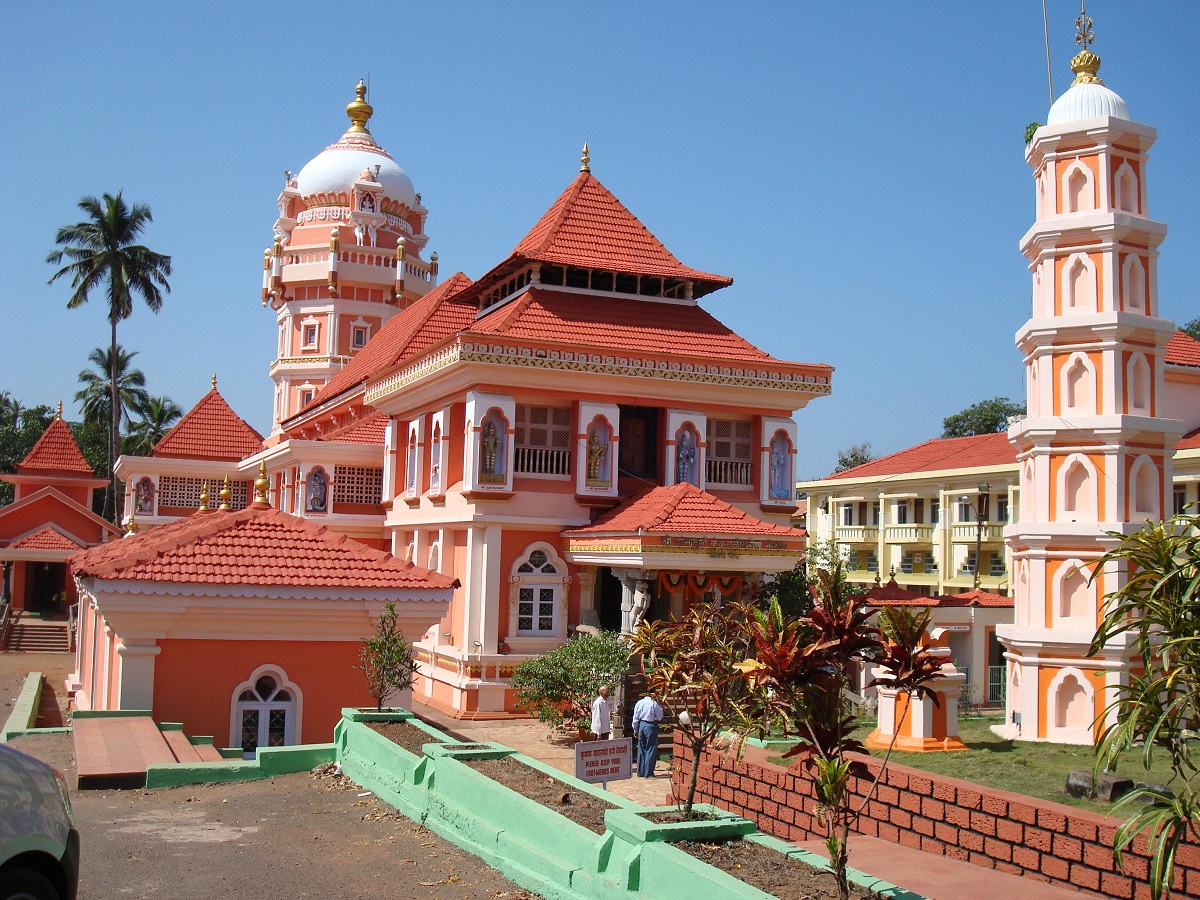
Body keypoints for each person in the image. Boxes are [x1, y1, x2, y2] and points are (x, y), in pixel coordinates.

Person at [631, 692, 664, 778]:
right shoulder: (654, 703)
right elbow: (660, 716)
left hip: (642, 725)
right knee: (651, 748)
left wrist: (635, 729)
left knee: (641, 748)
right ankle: (648, 773)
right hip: (651, 725)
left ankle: (640, 772)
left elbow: (635, 717)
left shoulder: (639, 703)